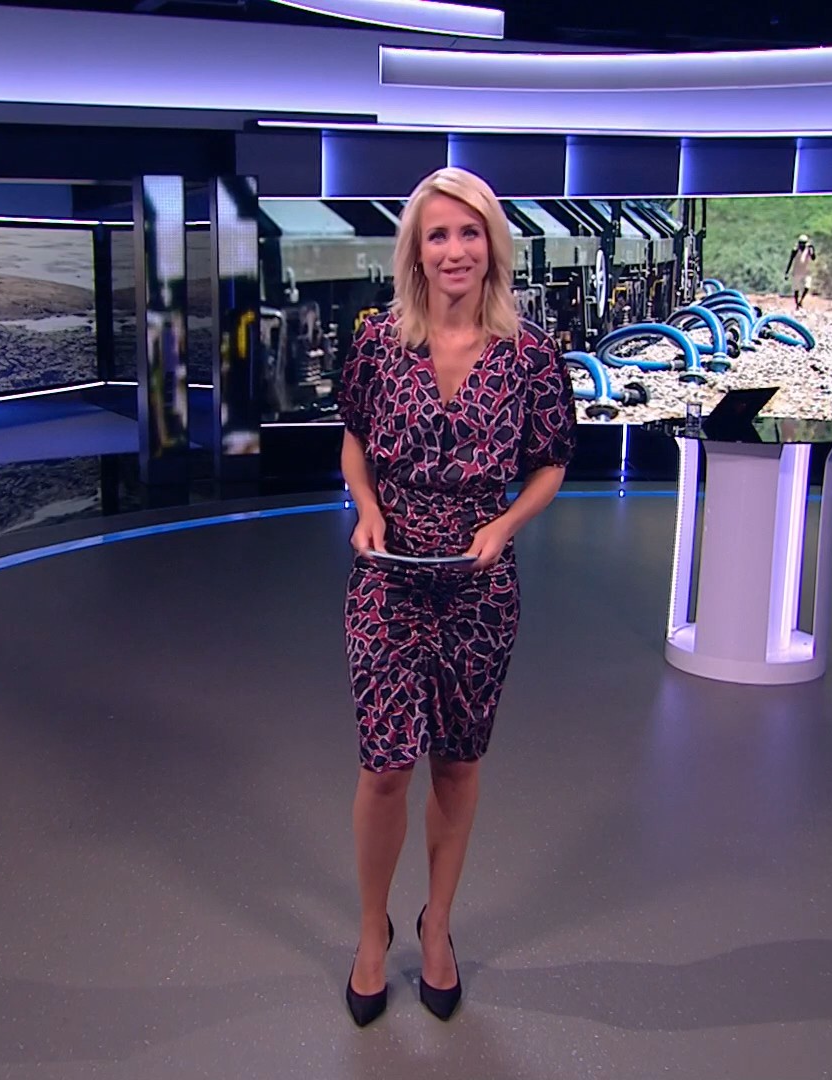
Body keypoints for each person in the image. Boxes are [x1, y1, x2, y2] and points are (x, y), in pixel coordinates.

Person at [336, 166, 575, 1027]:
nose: (454, 249)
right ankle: (372, 930)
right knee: (385, 766)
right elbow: (354, 440)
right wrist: (365, 507)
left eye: (469, 232)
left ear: (492, 244)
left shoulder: (531, 355)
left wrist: (505, 525)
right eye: (437, 234)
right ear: (416, 250)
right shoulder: (377, 341)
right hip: (388, 577)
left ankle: (437, 923)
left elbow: (552, 461)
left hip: (478, 587)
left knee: (459, 761)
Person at [785, 234, 817, 310]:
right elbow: (791, 261)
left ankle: (801, 300)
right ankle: (797, 303)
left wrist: (812, 249)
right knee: (796, 289)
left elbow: (813, 258)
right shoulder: (795, 250)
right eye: (801, 243)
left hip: (806, 271)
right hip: (796, 271)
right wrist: (787, 272)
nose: (802, 245)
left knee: (807, 286)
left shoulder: (809, 249)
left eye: (803, 243)